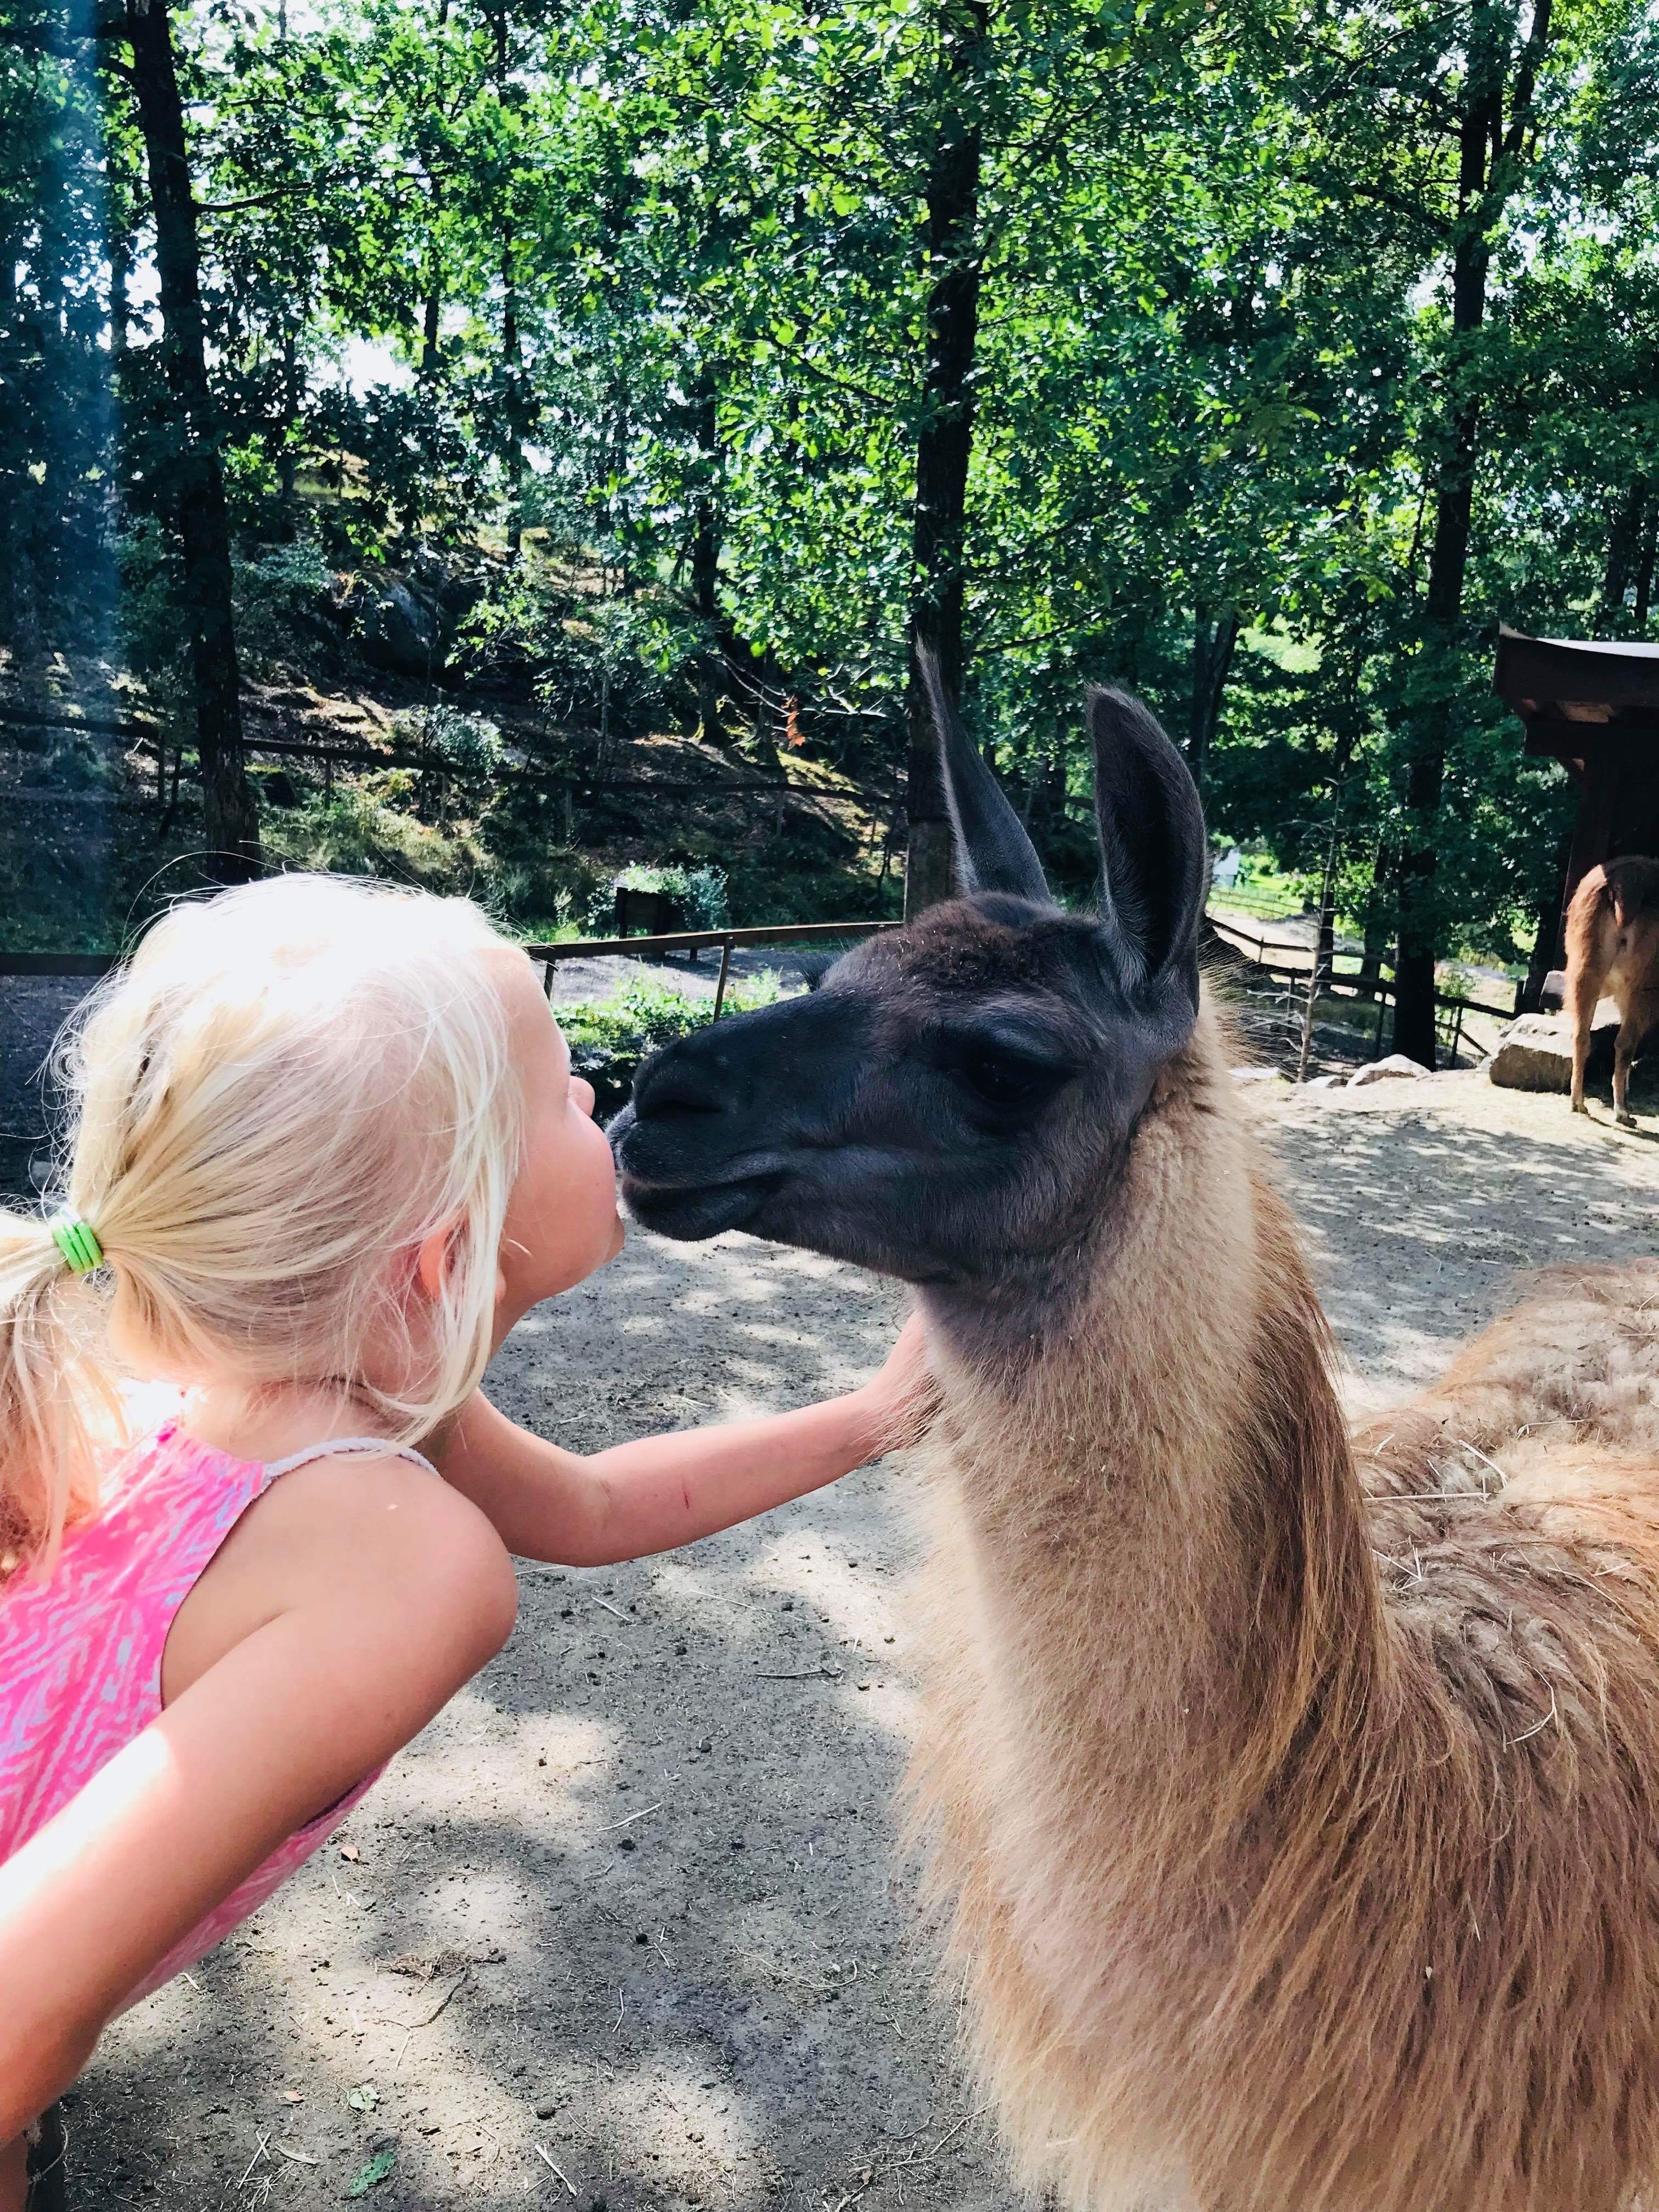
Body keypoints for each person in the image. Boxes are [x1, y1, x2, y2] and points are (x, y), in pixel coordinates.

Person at [0, 876, 925, 2210]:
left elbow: (596, 1511)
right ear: (439, 1265)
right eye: (559, 1093)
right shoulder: (402, 1562)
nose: (599, 1102)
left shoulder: (273, 1390)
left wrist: (872, 1418)